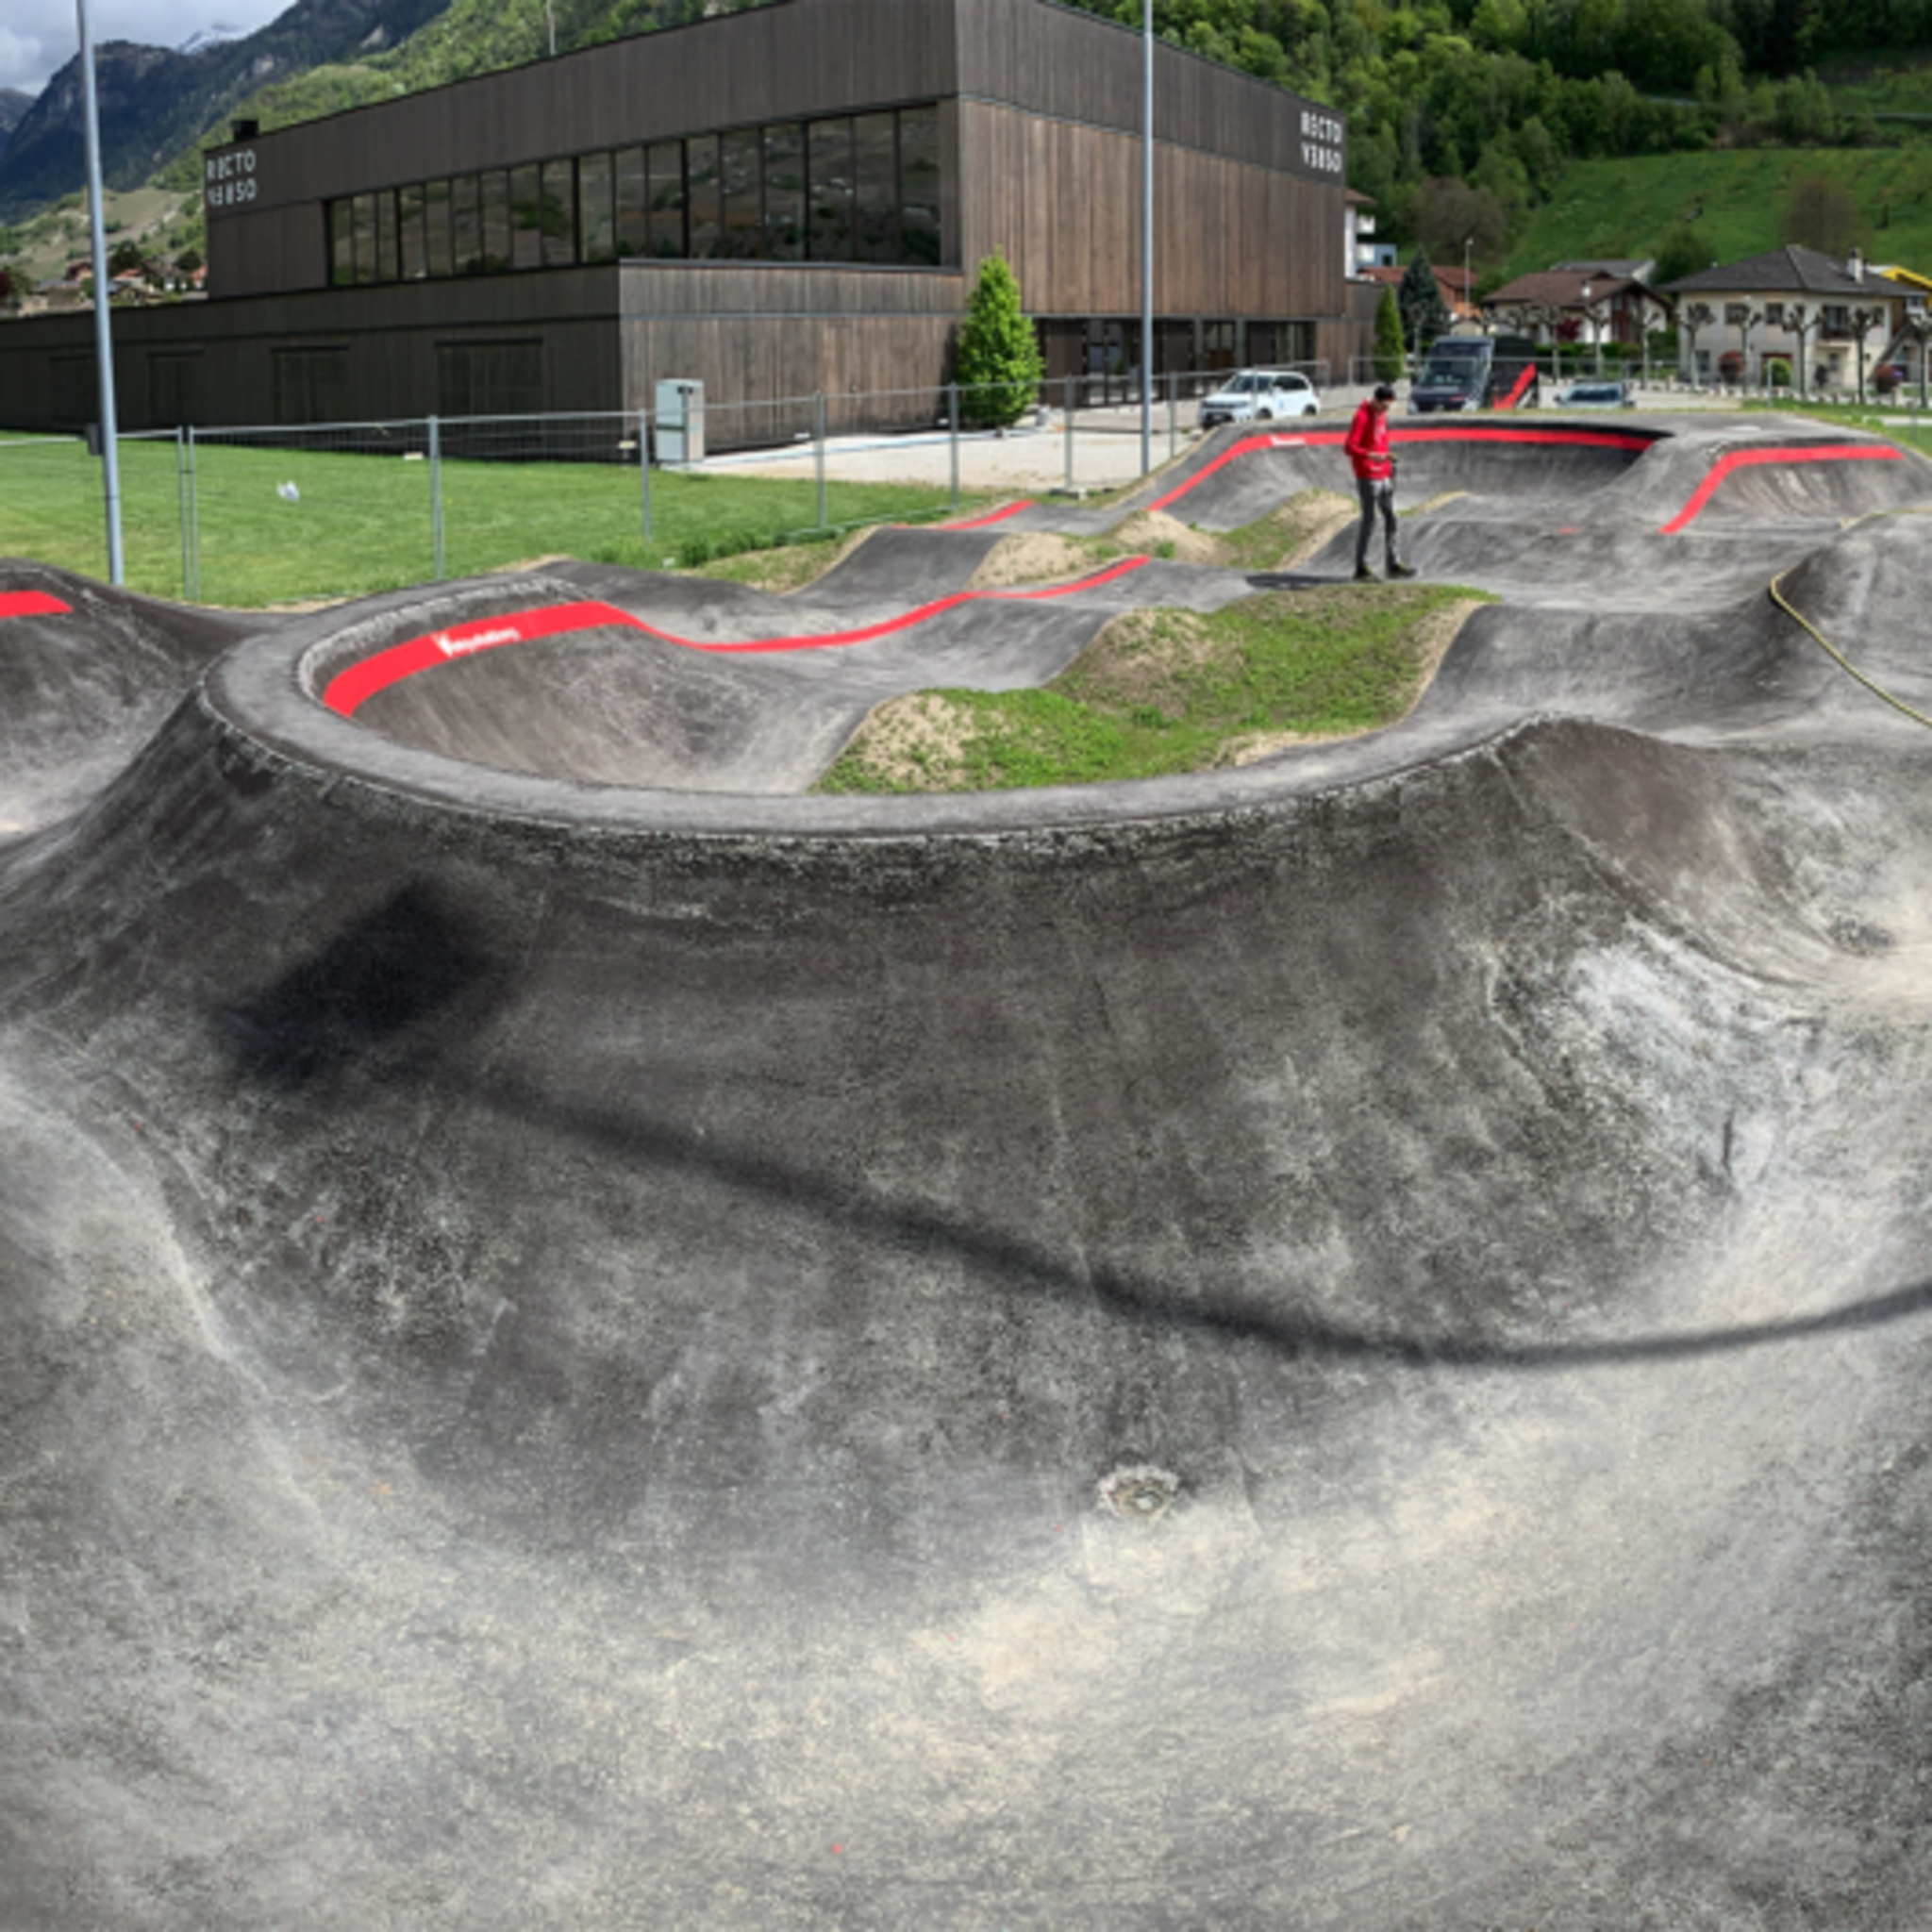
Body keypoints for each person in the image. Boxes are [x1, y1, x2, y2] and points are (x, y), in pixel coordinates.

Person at [1344, 383, 1416, 582]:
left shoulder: (1382, 415)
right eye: (1383, 405)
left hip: (1383, 473)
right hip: (1367, 474)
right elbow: (1349, 447)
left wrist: (1387, 464)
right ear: (1375, 400)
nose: (1386, 410)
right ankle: (1361, 567)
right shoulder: (1361, 416)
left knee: (1391, 517)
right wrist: (1370, 455)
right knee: (1369, 520)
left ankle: (1393, 564)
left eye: (1388, 407)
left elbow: (1381, 441)